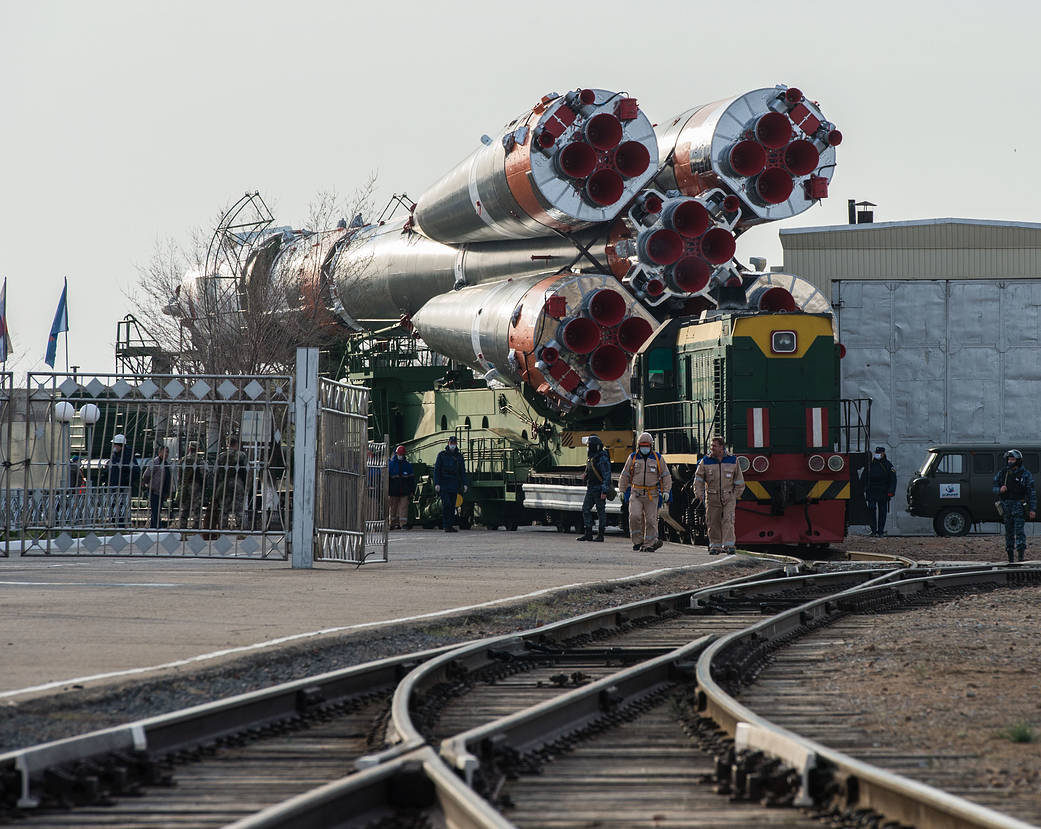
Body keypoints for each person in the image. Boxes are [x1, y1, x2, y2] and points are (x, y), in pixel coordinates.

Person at [618, 432, 672, 552]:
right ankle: (637, 541)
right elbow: (625, 475)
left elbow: (666, 476)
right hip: (636, 493)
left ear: (651, 446)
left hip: (652, 495)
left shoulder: (658, 459)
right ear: (638, 445)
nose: (644, 447)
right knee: (634, 516)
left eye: (646, 445)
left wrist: (666, 491)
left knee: (651, 520)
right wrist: (622, 490)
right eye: (642, 445)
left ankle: (649, 543)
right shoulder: (632, 458)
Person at [693, 437, 746, 555]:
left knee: (728, 520)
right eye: (711, 446)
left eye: (714, 446)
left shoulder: (733, 460)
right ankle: (715, 546)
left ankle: (729, 545)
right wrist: (699, 493)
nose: (711, 448)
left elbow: (739, 479)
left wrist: (736, 495)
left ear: (722, 447)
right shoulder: (705, 461)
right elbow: (698, 479)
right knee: (713, 521)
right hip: (712, 497)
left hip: (729, 496)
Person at [992, 449, 1037, 562]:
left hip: (1019, 506)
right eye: (1009, 459)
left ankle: (1021, 557)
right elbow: (994, 487)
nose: (1010, 461)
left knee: (1020, 532)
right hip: (1007, 506)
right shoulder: (1003, 473)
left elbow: (1031, 493)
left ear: (1018, 460)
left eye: (1012, 459)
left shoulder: (1025, 474)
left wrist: (1032, 509)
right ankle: (1010, 558)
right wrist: (1000, 490)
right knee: (1008, 533)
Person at [577, 435, 612, 542]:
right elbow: (590, 470)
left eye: (589, 445)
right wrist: (585, 475)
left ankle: (600, 535)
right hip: (591, 488)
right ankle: (588, 533)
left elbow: (607, 475)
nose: (588, 447)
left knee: (600, 512)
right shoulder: (591, 457)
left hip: (599, 489)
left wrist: (604, 491)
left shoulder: (602, 458)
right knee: (585, 509)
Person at [211, 436, 249, 530]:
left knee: (224, 507)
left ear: (228, 444)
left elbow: (215, 471)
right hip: (238, 483)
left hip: (224, 484)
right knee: (239, 508)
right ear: (236, 444)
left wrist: (217, 484)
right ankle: (240, 528)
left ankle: (223, 527)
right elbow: (247, 470)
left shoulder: (221, 456)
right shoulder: (242, 455)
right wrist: (246, 485)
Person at [433, 435, 468, 532]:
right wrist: (437, 483)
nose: (453, 445)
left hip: (454, 483)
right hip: (444, 483)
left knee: (453, 505)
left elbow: (462, 471)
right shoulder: (441, 455)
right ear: (448, 444)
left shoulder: (459, 456)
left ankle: (450, 525)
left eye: (454, 443)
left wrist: (465, 484)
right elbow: (437, 470)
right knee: (446, 504)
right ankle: (446, 524)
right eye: (451, 443)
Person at [863, 445, 897, 536]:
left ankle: (880, 531)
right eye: (877, 453)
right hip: (872, 491)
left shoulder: (888, 465)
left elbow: (893, 480)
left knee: (882, 512)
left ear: (883, 454)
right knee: (871, 510)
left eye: (880, 453)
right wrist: (864, 489)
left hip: (883, 492)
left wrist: (891, 491)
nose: (878, 455)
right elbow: (864, 477)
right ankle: (873, 530)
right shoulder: (870, 465)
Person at [106, 433, 139, 526]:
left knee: (121, 506)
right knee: (114, 506)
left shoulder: (127, 455)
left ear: (120, 445)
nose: (114, 446)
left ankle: (121, 525)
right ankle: (115, 523)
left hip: (122, 487)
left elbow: (135, 470)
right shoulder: (115, 454)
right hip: (114, 486)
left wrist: (126, 481)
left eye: (115, 444)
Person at [177, 441, 210, 530]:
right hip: (196, 487)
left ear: (189, 448)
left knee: (184, 508)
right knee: (197, 508)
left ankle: (182, 528)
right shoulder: (200, 461)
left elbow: (179, 475)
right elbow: (205, 474)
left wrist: (180, 486)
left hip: (185, 486)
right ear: (198, 449)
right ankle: (196, 528)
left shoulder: (183, 460)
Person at [141, 444, 174, 529]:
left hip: (162, 491)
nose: (166, 454)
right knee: (155, 510)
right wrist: (145, 485)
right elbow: (146, 475)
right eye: (165, 452)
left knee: (157, 510)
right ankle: (158, 527)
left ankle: (153, 527)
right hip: (154, 490)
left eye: (167, 452)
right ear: (159, 452)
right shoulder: (155, 462)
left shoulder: (166, 464)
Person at [388, 445, 416, 530]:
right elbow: (387, 479)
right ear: (396, 454)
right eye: (399, 454)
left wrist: (412, 490)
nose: (400, 456)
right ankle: (392, 523)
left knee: (403, 507)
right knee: (393, 508)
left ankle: (403, 524)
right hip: (393, 490)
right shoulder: (391, 465)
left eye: (402, 454)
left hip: (404, 490)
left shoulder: (407, 466)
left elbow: (411, 479)